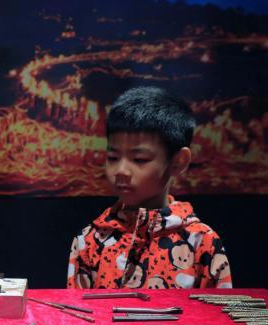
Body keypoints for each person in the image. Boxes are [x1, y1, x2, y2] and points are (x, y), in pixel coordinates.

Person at [67, 86, 232, 289]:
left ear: (178, 161)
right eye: (113, 157)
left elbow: (219, 308)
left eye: (139, 159)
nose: (121, 171)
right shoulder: (89, 241)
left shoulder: (201, 242)